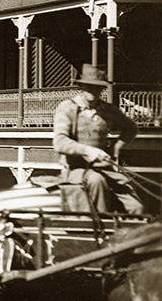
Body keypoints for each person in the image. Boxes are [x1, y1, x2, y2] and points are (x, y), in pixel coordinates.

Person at [52, 63, 141, 214]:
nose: (93, 91)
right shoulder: (68, 108)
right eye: (89, 86)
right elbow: (60, 142)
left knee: (135, 206)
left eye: (97, 87)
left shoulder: (108, 110)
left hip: (104, 168)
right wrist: (87, 150)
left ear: (102, 89)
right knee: (96, 181)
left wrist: (116, 147)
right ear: (82, 87)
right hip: (76, 169)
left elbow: (131, 128)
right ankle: (101, 232)